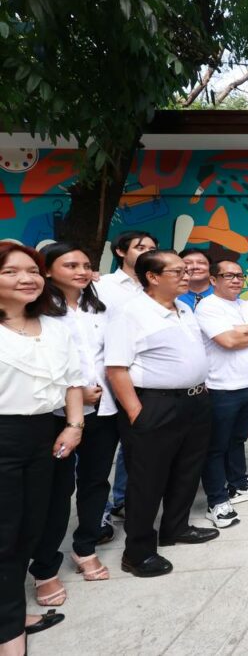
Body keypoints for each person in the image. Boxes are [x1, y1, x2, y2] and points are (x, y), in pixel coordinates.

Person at [105, 250, 220, 578]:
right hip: (155, 405)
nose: (187, 276)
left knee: (187, 469)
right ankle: (138, 552)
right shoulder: (130, 313)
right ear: (152, 277)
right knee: (147, 479)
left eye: (186, 270)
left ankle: (176, 527)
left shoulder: (184, 308)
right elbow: (116, 368)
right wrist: (136, 412)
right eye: (178, 272)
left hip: (195, 402)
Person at [0, 242, 84, 653]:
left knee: (29, 529)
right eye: (11, 272)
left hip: (44, 433)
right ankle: (9, 633)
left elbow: (72, 381)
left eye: (32, 270)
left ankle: (11, 614)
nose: (27, 278)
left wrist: (74, 425)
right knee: (4, 533)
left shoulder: (55, 326)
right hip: (4, 433)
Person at [28, 244, 118, 611]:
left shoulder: (99, 308)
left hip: (104, 409)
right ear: (48, 271)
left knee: (96, 481)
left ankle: (85, 547)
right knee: (56, 490)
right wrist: (77, 394)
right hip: (56, 416)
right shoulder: (38, 312)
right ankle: (45, 568)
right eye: (70, 265)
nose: (81, 271)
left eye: (85, 265)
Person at [195, 260, 248, 529]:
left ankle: (239, 484)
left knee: (237, 439)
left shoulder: (246, 305)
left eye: (239, 276)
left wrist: (240, 329)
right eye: (228, 275)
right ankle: (217, 501)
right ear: (213, 280)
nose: (236, 280)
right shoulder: (208, 307)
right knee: (216, 447)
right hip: (220, 388)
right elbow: (228, 342)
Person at [95, 231, 157, 532]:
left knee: (134, 447)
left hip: (144, 380)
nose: (146, 251)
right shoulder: (102, 286)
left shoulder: (153, 286)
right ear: (121, 252)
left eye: (152, 248)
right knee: (100, 453)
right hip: (110, 377)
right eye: (140, 247)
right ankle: (99, 512)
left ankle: (123, 499)